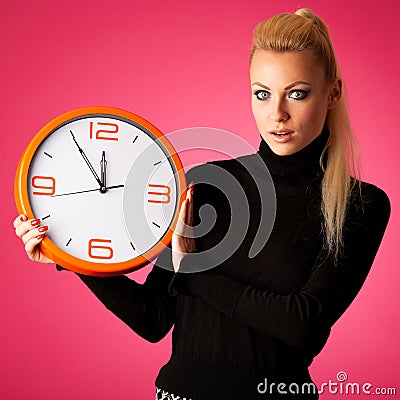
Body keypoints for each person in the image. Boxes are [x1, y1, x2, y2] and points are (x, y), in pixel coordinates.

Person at [14, 8, 391, 400]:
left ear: (333, 92)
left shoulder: (360, 206)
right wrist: (67, 255)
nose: (277, 114)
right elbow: (154, 318)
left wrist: (190, 271)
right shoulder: (208, 183)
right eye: (262, 93)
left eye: (297, 93)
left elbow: (304, 326)